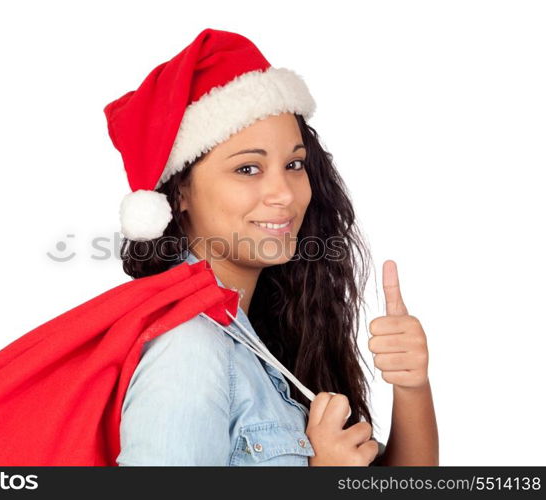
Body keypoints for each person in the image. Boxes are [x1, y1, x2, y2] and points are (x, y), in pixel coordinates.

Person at [105, 28, 438, 466]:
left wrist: (411, 386)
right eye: (248, 168)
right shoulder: (189, 350)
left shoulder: (258, 334)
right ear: (178, 194)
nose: (284, 193)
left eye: (294, 164)